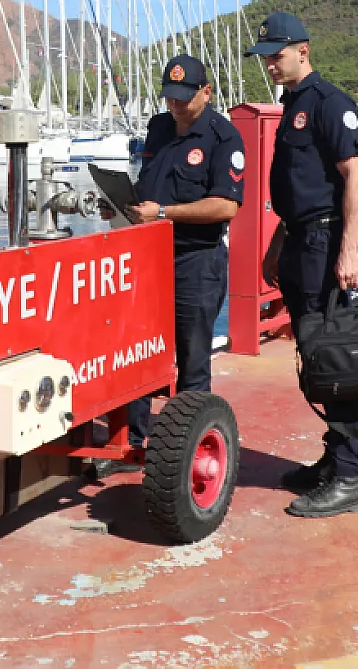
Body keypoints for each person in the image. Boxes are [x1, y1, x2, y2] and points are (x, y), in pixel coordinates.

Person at [247, 12, 358, 517]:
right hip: (300, 239)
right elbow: (299, 192)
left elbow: (354, 177)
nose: (271, 64)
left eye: (277, 54)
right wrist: (278, 244)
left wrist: (349, 248)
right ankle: (334, 456)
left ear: (303, 50)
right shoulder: (293, 105)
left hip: (325, 245)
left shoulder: (328, 103)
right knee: (315, 359)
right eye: (266, 57)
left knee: (335, 357)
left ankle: (348, 477)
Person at [109, 53, 245, 468]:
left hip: (195, 262)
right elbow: (149, 184)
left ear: (206, 92)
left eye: (184, 98)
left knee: (191, 360)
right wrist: (122, 202)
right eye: (169, 97)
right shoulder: (158, 128)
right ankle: (131, 444)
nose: (175, 106)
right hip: (149, 257)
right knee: (135, 351)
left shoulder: (224, 139)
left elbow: (226, 206)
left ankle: (183, 456)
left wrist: (163, 213)